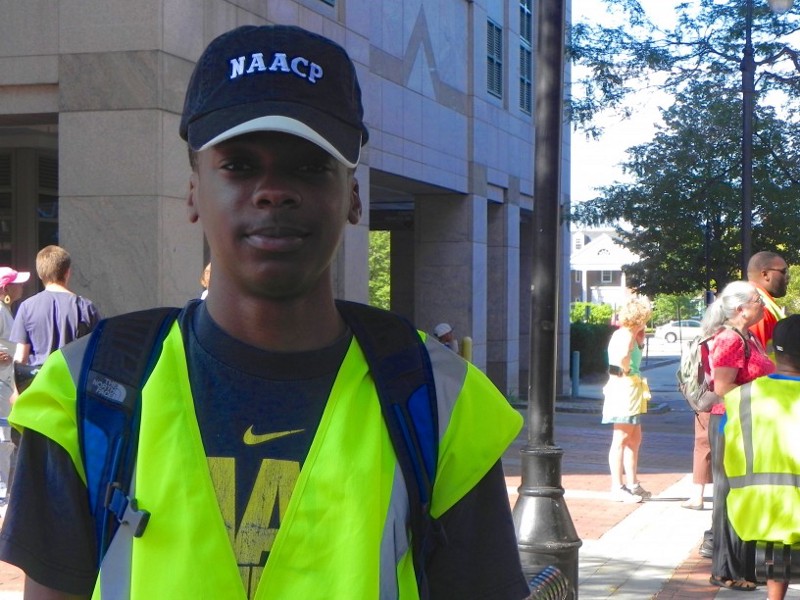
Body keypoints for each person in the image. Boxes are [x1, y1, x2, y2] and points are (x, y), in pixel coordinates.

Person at [0, 25, 530, 600]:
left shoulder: (440, 403)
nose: (273, 191)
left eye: (309, 166)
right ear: (193, 191)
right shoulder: (85, 394)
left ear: (353, 195)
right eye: (239, 165)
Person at [702, 280, 775, 592]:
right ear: (741, 308)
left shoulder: (748, 338)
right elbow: (722, 389)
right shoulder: (730, 339)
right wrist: (761, 398)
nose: (762, 303)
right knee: (728, 495)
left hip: (745, 424)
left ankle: (744, 566)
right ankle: (725, 569)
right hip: (730, 424)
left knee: (743, 494)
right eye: (757, 299)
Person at [723, 314, 800, 600]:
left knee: (778, 541)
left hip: (755, 511)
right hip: (794, 511)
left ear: (770, 348)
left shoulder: (742, 396)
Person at [10, 245, 100, 366]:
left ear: (40, 274)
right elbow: (97, 353)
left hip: (39, 381)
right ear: (68, 272)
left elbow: (21, 358)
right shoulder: (85, 307)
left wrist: (16, 384)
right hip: (72, 381)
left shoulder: (27, 307)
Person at [601, 296, 653, 503]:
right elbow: (623, 357)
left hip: (628, 387)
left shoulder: (626, 333)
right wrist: (625, 367)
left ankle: (632, 483)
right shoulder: (626, 335)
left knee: (633, 439)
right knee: (621, 440)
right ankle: (618, 486)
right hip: (626, 387)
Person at [0, 267, 29, 498]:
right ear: (6, 288)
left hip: (5, 381)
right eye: (17, 283)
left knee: (6, 438)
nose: (22, 286)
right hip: (0, 384)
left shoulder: (6, 310)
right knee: (2, 438)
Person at [747, 250, 788, 356]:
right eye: (783, 272)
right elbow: (756, 359)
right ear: (765, 274)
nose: (787, 277)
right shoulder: (758, 309)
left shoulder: (762, 303)